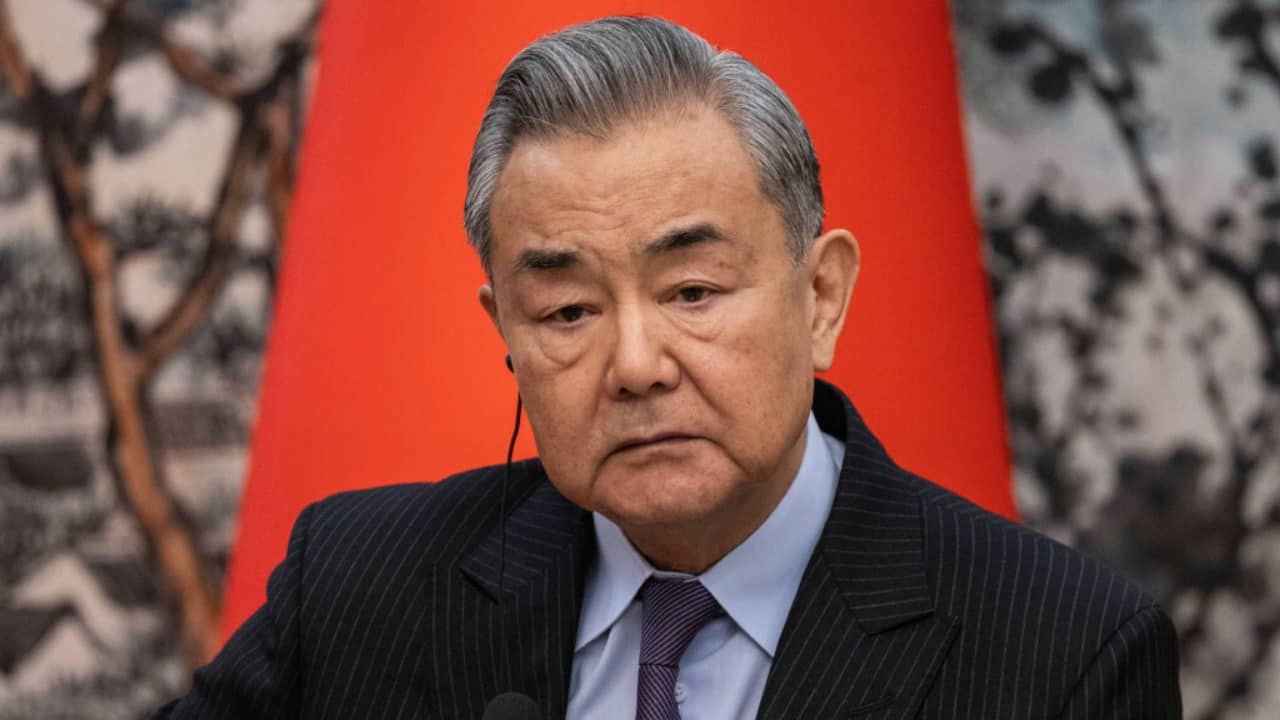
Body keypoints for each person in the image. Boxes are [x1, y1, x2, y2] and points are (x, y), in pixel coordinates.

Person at [155, 16, 1181, 719]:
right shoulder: (358, 587)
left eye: (692, 292)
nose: (636, 366)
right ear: (505, 333)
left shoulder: (1061, 653)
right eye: (567, 310)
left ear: (820, 297)